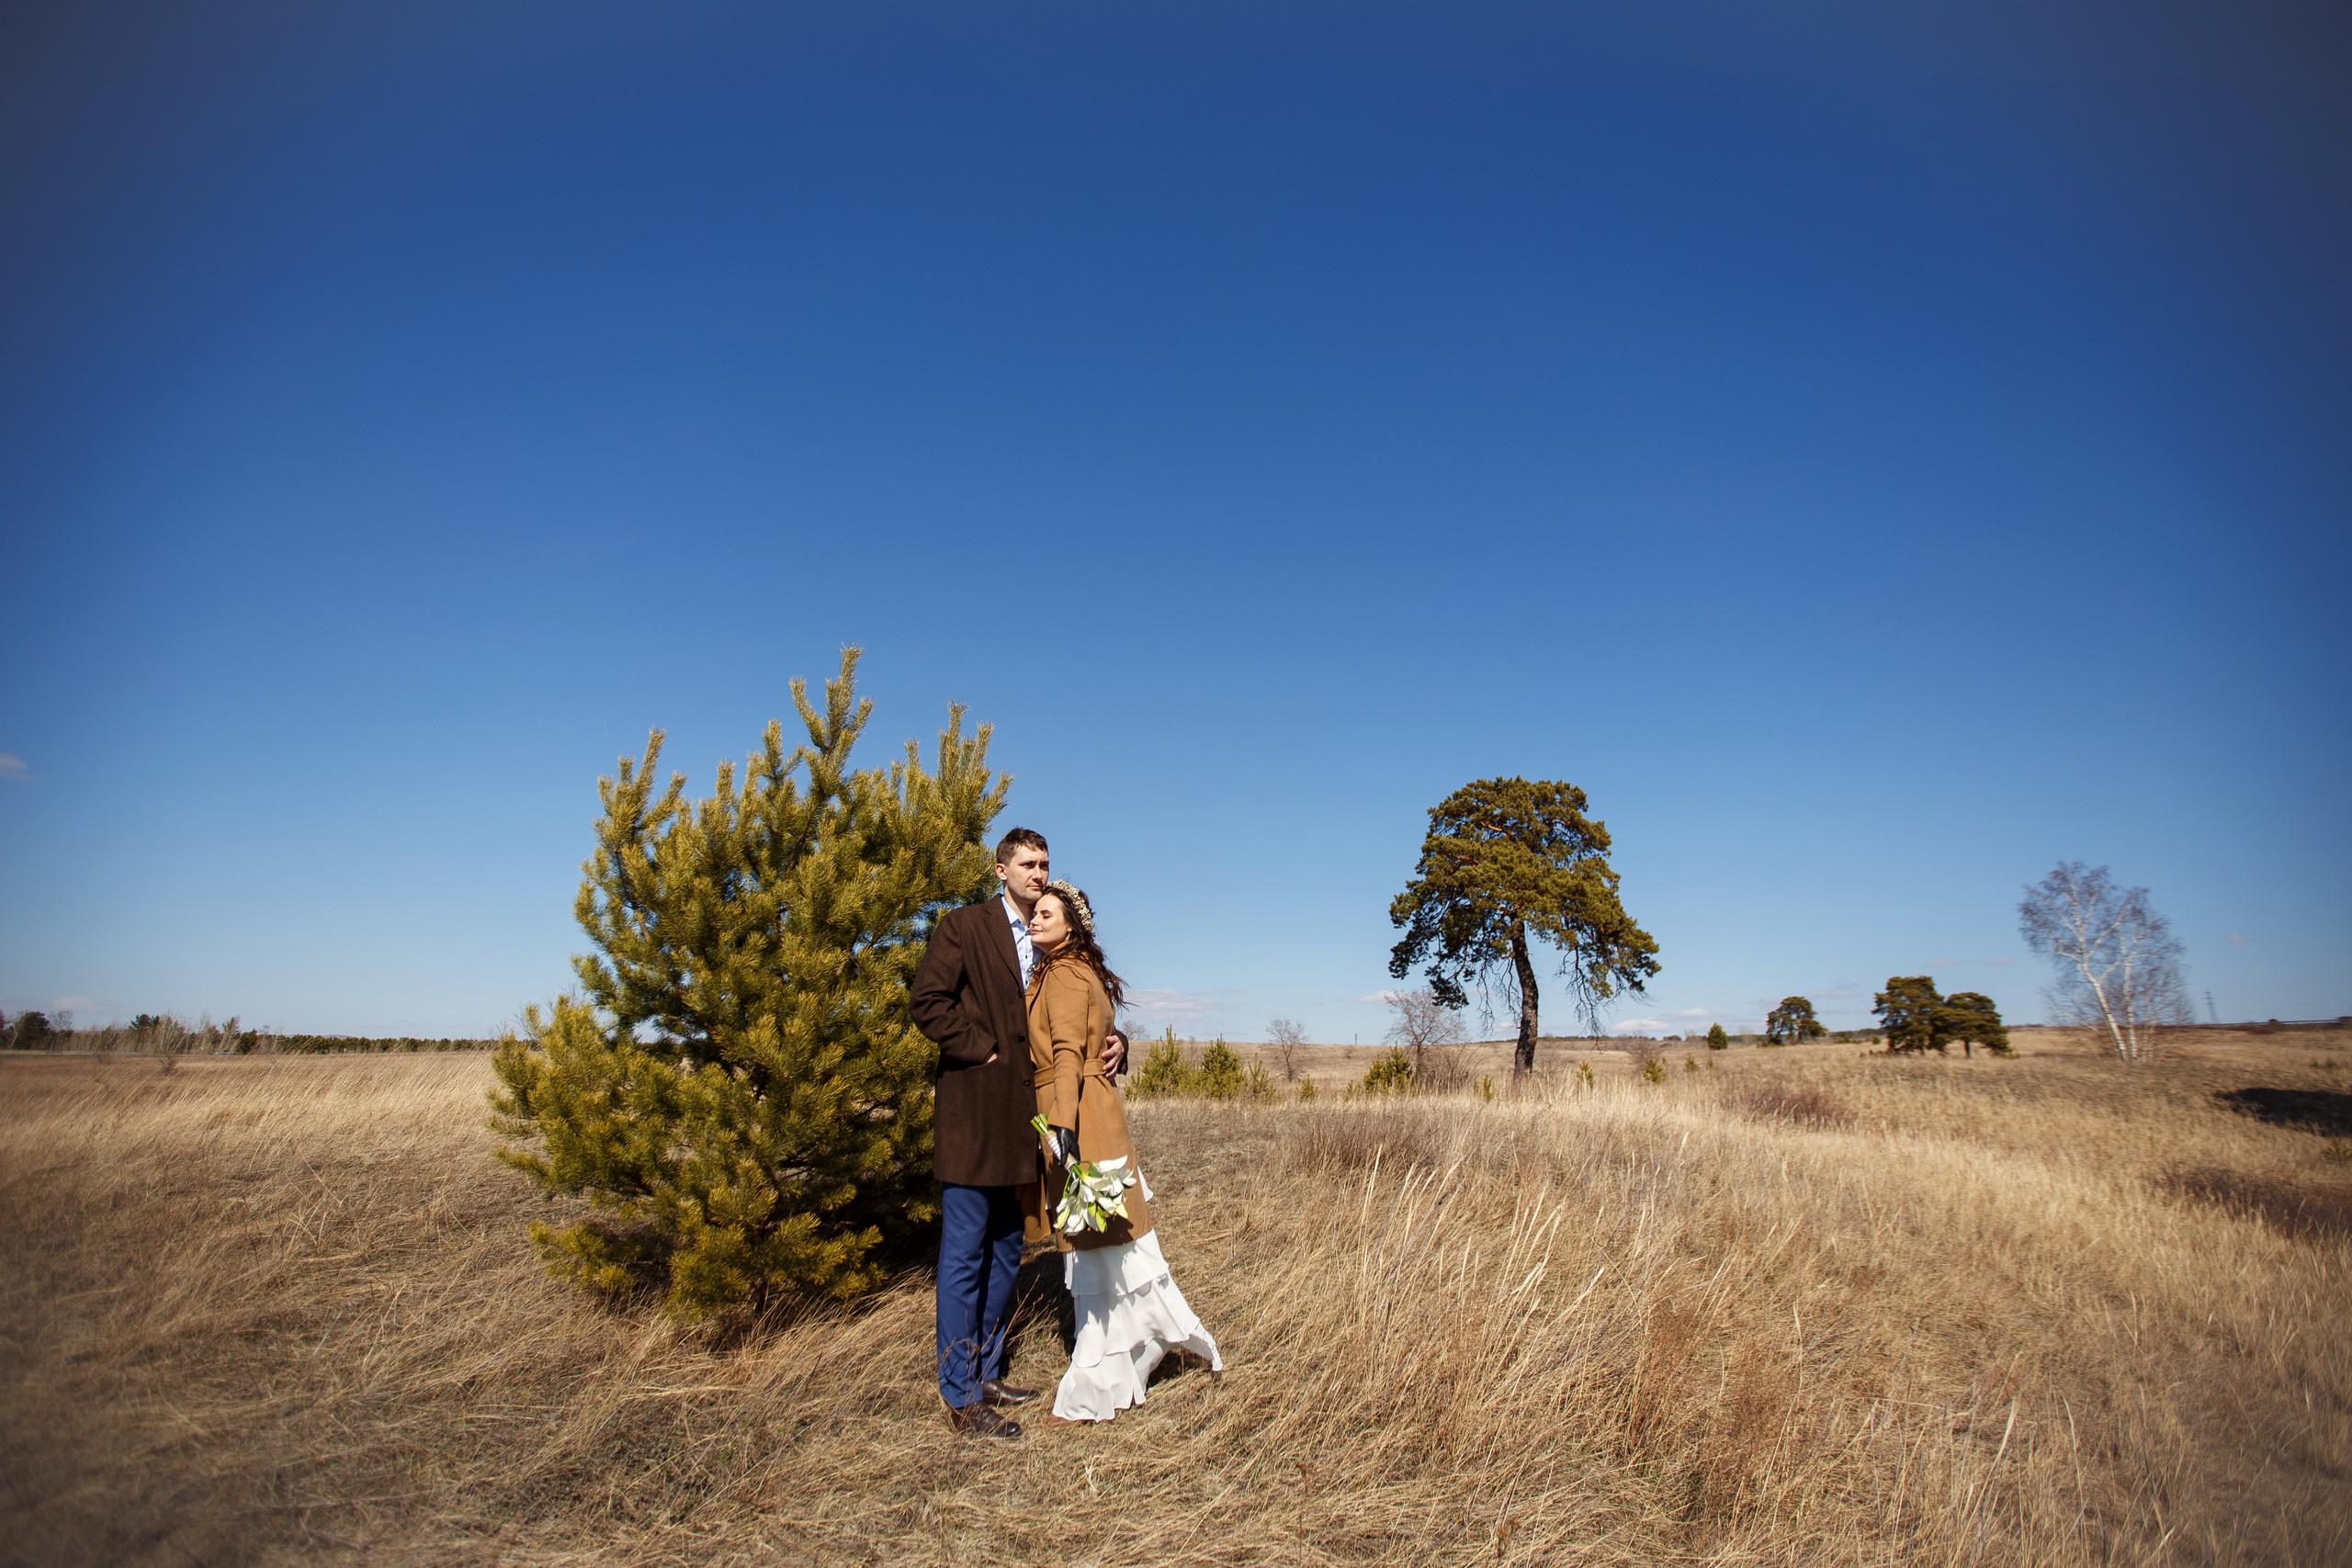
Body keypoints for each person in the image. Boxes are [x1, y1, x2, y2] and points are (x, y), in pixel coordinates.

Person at [908, 829, 1125, 1439]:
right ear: (1000, 870)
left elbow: (1082, 1010)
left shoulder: (1050, 940)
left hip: (1026, 1129)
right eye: (1028, 864)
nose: (1039, 872)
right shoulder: (964, 927)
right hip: (973, 1117)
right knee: (963, 1254)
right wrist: (984, 1051)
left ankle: (987, 1369)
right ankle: (960, 1394)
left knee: (1008, 1250)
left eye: (1046, 863)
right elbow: (927, 1001)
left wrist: (1116, 1042)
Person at [1026, 879, 1221, 1422]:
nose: (1037, 920)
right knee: (1109, 1242)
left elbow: (1067, 1050)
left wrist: (1060, 1125)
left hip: (1080, 1116)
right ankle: (1137, 1349)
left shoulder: (1063, 971)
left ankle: (1105, 1369)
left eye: (1047, 914)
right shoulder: (1066, 968)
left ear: (1071, 926)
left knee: (1099, 1241)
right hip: (1089, 1110)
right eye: (1035, 913)